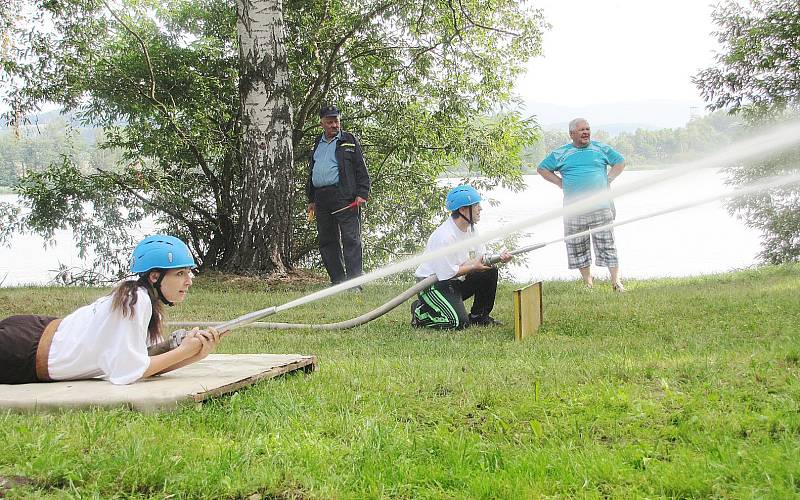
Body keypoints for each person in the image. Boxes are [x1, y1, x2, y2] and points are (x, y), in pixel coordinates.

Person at [0, 235, 221, 385]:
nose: (189, 281)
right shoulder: (136, 301)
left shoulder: (139, 298)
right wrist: (185, 351)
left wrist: (196, 352)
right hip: (21, 349)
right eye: (180, 274)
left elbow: (142, 362)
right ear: (155, 276)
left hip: (31, 337)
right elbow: (131, 373)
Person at [537, 118, 626, 291]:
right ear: (571, 134)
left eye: (587, 129)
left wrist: (609, 179)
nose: (586, 132)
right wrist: (559, 182)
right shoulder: (561, 153)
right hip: (574, 210)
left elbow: (620, 162)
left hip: (601, 207)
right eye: (581, 130)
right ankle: (588, 282)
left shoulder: (601, 148)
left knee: (607, 244)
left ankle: (616, 282)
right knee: (577, 246)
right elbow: (542, 169)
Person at [411, 185, 512, 329]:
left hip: (454, 281)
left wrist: (499, 258)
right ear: (463, 209)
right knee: (457, 323)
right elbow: (446, 274)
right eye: (476, 205)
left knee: (490, 270)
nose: (480, 209)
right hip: (433, 285)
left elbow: (482, 257)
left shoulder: (471, 228)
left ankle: (479, 316)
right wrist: (473, 267)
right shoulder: (445, 237)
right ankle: (420, 312)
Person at [305, 104, 371, 288]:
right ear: (322, 123)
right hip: (321, 197)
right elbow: (312, 171)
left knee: (351, 239)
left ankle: (354, 284)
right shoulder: (317, 141)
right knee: (327, 239)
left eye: (337, 121)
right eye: (330, 122)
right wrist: (311, 199)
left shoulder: (349, 140)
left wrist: (362, 193)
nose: (334, 125)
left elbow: (360, 168)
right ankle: (337, 281)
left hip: (345, 196)